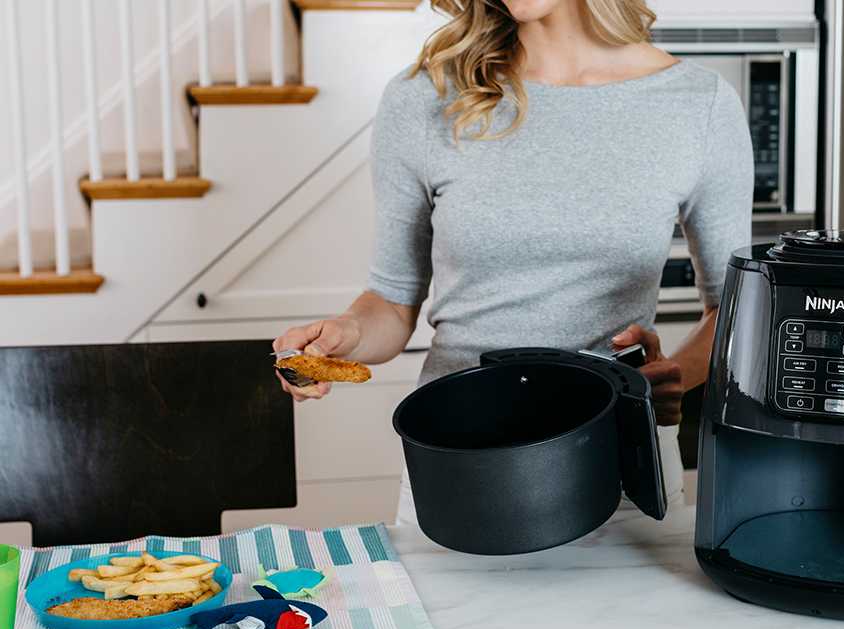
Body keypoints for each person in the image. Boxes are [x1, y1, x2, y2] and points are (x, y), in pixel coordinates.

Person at [273, 0, 753, 523]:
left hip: (613, 455)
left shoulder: (698, 103)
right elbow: (391, 302)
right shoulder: (423, 97)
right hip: (455, 454)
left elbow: (733, 310)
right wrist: (344, 334)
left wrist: (669, 375)